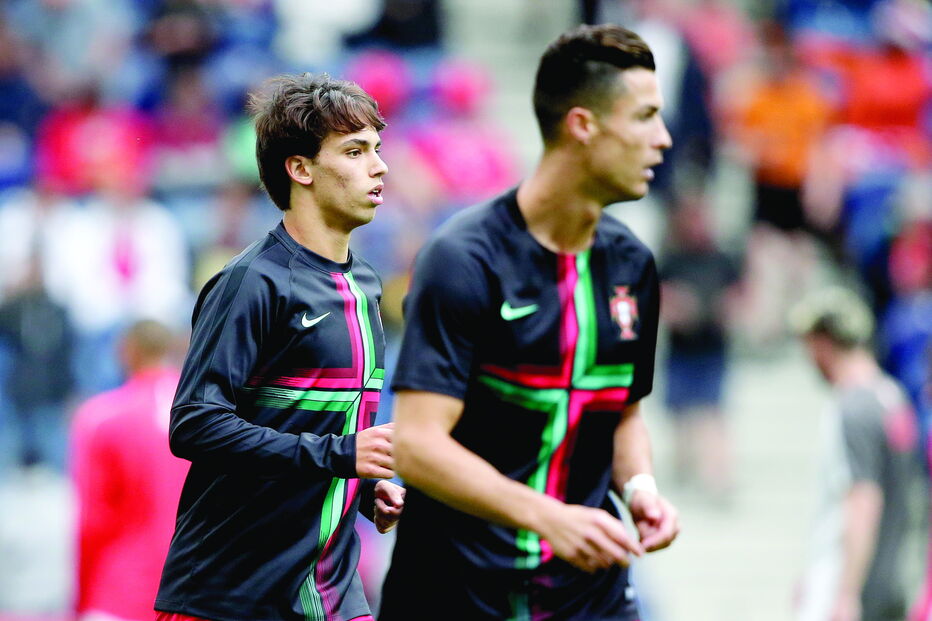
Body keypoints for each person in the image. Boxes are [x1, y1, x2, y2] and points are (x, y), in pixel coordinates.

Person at [380, 24, 680, 620]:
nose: (664, 139)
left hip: (587, 596)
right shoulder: (463, 259)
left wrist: (640, 487)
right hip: (455, 592)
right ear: (583, 126)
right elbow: (415, 445)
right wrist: (548, 517)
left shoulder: (633, 265)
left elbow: (620, 412)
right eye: (644, 117)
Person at [155, 73, 404, 621]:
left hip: (330, 595)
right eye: (355, 151)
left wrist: (362, 484)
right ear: (300, 169)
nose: (379, 166)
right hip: (230, 598)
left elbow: (320, 429)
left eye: (377, 150)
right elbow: (194, 422)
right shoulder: (252, 282)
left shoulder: (365, 285)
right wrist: (340, 457)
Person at [791, 287, 923, 621]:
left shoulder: (852, 407)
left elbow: (863, 497)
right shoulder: (892, 398)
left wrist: (846, 593)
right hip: (893, 575)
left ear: (822, 342)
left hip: (853, 580)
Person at [71, 320, 188, 621]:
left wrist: (82, 600)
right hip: (197, 595)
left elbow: (92, 521)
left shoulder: (102, 417)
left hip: (122, 592)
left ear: (127, 352)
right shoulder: (216, 415)